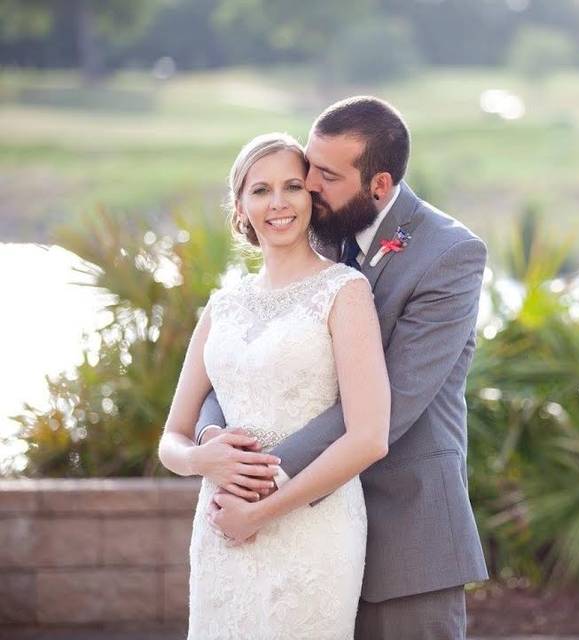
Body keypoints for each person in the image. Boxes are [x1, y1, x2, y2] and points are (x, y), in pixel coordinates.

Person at [195, 96, 489, 639]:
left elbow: (392, 402)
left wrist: (259, 478)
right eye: (309, 166)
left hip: (405, 529)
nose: (306, 186)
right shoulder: (319, 223)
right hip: (299, 531)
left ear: (378, 185)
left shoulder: (450, 256)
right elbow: (247, 350)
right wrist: (215, 437)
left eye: (325, 175)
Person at [158, 130, 390, 639]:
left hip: (310, 526)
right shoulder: (223, 306)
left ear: (311, 197)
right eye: (260, 190)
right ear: (240, 207)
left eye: (292, 186)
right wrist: (203, 459)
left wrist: (263, 511)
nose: (278, 203)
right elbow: (171, 439)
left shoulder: (344, 292)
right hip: (222, 525)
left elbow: (369, 437)